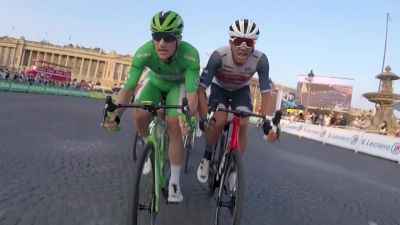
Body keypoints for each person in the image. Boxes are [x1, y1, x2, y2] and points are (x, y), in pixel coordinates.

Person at [104, 10, 200, 203]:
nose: (161, 43)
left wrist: (186, 118)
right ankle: (149, 145)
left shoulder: (191, 56)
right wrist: (115, 115)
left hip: (177, 86)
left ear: (178, 39)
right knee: (139, 113)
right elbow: (128, 89)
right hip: (155, 83)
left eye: (167, 37)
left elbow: (191, 95)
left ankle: (174, 181)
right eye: (156, 36)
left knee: (174, 123)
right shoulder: (144, 52)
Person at [196, 19, 278, 183]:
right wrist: (204, 116)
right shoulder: (218, 56)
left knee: (243, 123)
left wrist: (268, 122)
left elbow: (267, 94)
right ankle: (206, 157)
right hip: (219, 88)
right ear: (231, 42)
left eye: (248, 42)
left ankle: (234, 167)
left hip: (241, 90)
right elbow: (200, 90)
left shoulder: (261, 60)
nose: (243, 47)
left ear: (254, 44)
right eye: (239, 41)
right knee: (219, 121)